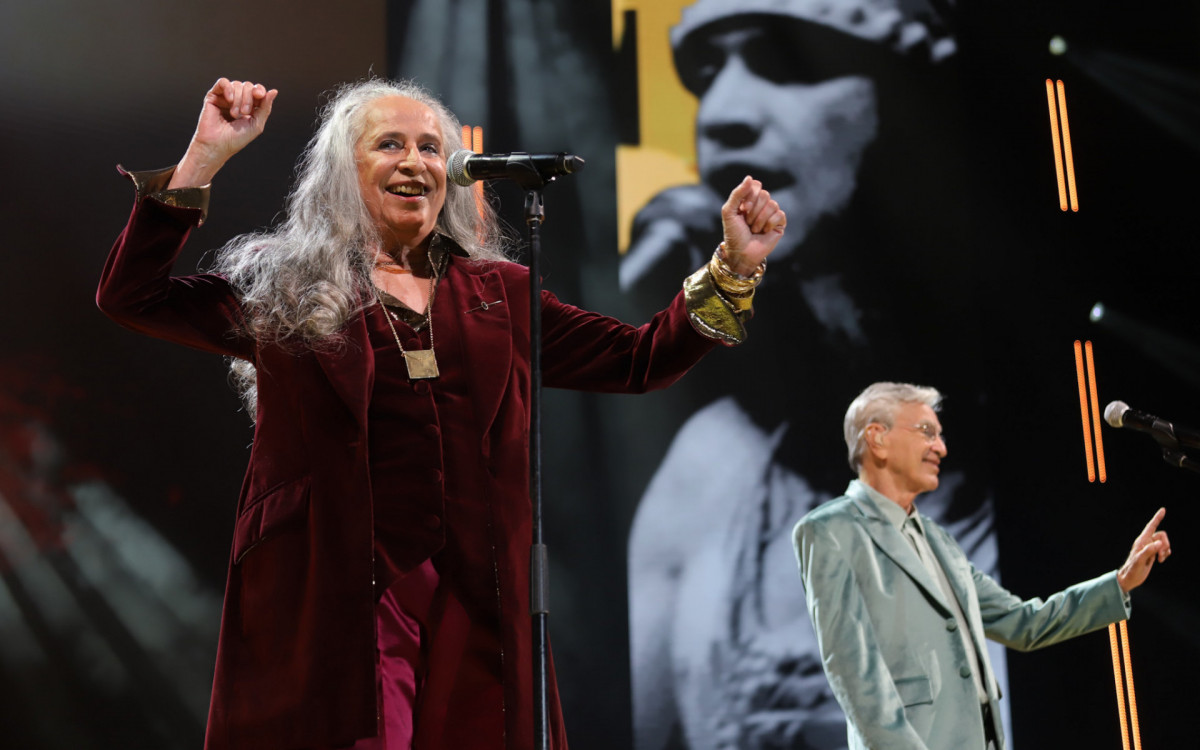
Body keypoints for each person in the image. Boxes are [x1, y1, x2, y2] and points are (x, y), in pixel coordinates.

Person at [96, 77, 786, 750]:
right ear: (343, 172)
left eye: (431, 148)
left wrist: (733, 269)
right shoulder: (284, 284)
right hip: (333, 589)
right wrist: (204, 158)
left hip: (476, 590)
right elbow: (133, 296)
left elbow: (641, 361)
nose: (415, 162)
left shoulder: (500, 295)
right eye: (389, 144)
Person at [625, 3, 985, 749]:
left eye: (784, 58)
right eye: (707, 74)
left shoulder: (1059, 450)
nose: (720, 113)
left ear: (912, 96)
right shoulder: (708, 473)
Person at [792, 382, 1171, 750]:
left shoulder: (939, 541)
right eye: (927, 432)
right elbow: (856, 678)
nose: (940, 447)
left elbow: (1024, 623)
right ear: (877, 438)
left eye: (939, 436)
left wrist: (1120, 582)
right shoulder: (830, 531)